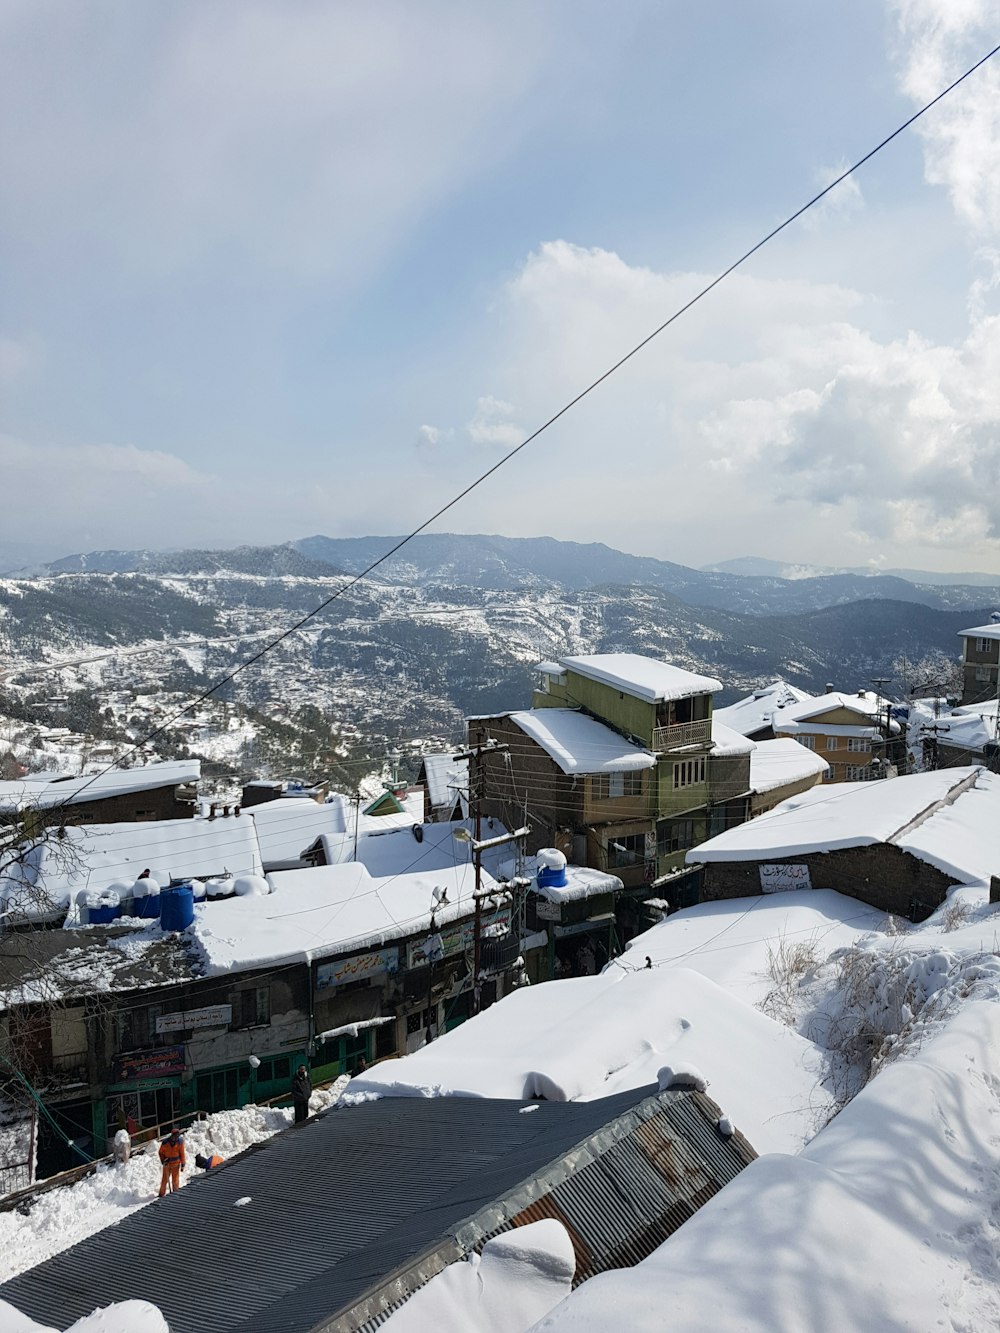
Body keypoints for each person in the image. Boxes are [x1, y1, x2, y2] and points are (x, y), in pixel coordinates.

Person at [158, 1125, 186, 1196]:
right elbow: (160, 1152)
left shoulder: (180, 1142)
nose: (176, 1138)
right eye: (175, 1136)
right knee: (164, 1180)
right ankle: (161, 1194)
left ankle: (175, 1194)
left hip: (176, 1164)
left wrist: (183, 1164)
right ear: (172, 1135)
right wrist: (163, 1160)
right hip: (167, 1164)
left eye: (177, 1136)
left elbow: (182, 1154)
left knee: (175, 1181)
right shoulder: (165, 1143)